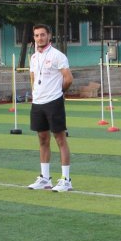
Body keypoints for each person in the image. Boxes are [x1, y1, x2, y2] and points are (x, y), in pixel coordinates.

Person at [26, 23, 74, 192]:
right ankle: (45, 178)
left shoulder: (57, 56)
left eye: (42, 35)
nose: (40, 38)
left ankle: (66, 180)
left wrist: (59, 92)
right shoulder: (33, 57)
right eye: (36, 35)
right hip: (38, 103)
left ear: (49, 36)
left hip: (54, 102)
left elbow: (68, 79)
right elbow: (33, 79)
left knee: (60, 139)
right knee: (42, 139)